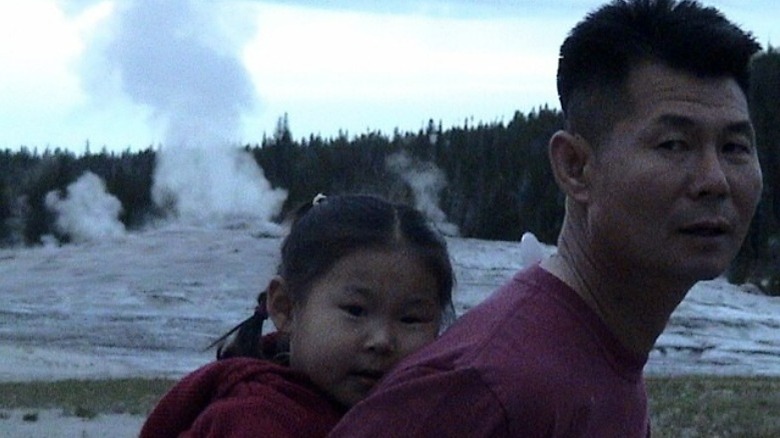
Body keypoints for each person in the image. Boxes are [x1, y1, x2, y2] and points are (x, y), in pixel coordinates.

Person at [328, 1, 763, 436]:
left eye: (735, 148)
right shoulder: (486, 390)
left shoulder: (599, 353)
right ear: (574, 167)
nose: (715, 180)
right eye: (673, 144)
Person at [140, 194, 455, 437]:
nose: (382, 340)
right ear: (286, 308)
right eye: (356, 311)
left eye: (411, 318)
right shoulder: (255, 422)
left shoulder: (421, 412)